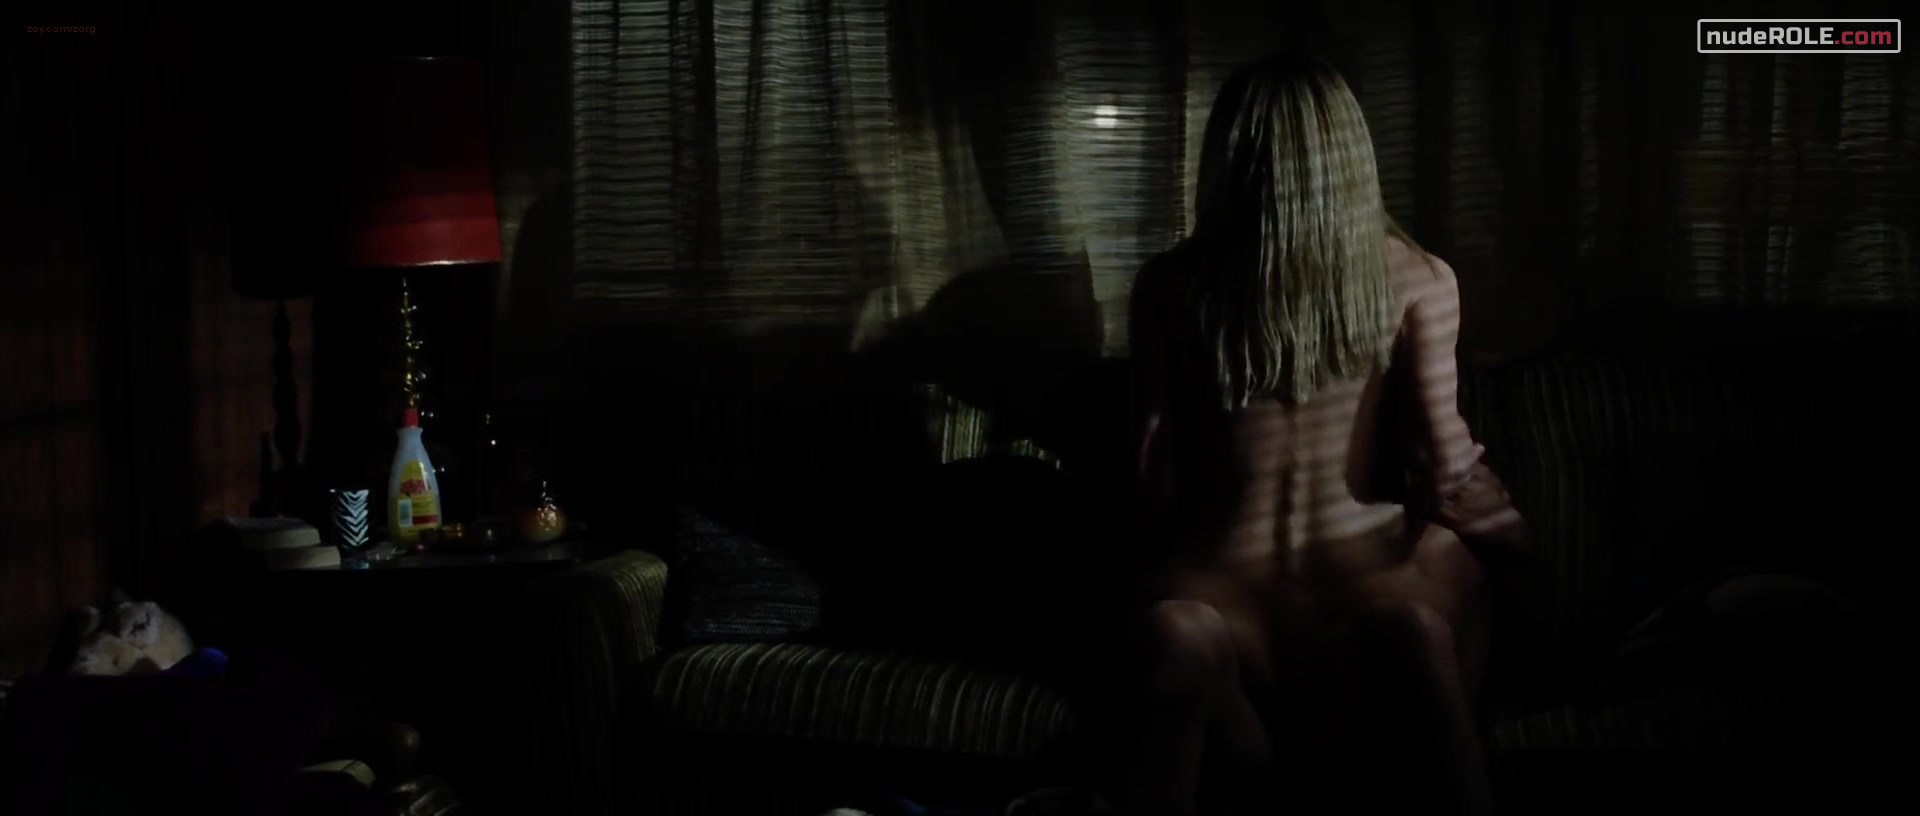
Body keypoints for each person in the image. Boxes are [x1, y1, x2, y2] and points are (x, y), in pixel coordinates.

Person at [1109, 53, 1532, 816]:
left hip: (1225, 602)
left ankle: (1226, 733)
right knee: (1438, 591)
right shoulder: (1418, 278)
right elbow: (1440, 468)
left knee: (1178, 633)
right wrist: (1513, 533)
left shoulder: (1170, 285)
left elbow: (1153, 474)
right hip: (1360, 598)